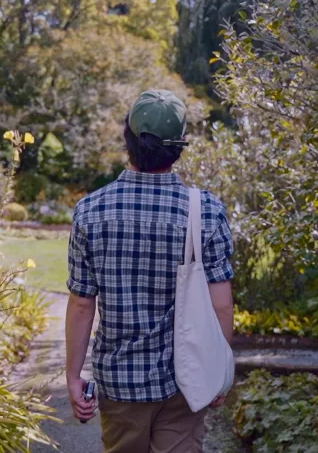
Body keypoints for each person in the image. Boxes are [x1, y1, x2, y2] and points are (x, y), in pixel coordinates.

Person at [64, 90, 235, 453]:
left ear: (128, 136)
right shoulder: (206, 211)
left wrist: (73, 375)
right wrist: (218, 372)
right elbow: (221, 306)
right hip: (185, 380)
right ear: (180, 145)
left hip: (120, 380)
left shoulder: (91, 211)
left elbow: (82, 305)